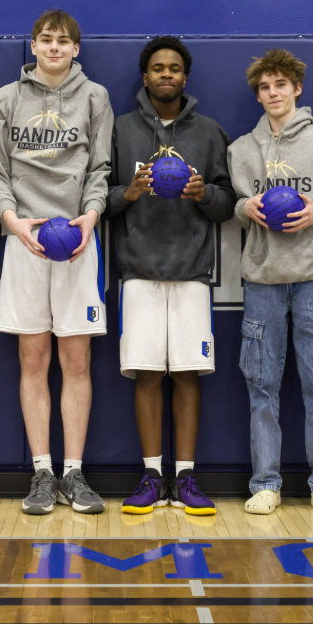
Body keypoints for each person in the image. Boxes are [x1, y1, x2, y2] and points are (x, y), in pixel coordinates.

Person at [0, 9, 112, 515]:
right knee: (33, 360)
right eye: (46, 40)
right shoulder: (4, 99)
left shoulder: (95, 96)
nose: (55, 47)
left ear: (76, 49)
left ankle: (74, 473)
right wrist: (13, 224)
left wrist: (90, 218)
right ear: (33, 46)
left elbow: (100, 167)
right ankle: (42, 471)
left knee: (76, 361)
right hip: (25, 241)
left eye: (64, 41)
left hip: (77, 241)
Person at [107, 37, 235, 516]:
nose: (166, 75)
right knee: (145, 374)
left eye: (175, 68)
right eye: (158, 68)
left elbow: (226, 204)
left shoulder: (208, 132)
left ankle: (184, 476)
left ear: (185, 77)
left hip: (191, 273)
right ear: (145, 77)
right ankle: (151, 475)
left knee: (186, 375)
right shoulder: (120, 130)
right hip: (138, 271)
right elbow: (102, 196)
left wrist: (204, 194)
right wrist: (131, 193)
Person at [228, 48, 313, 517]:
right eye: (264, 87)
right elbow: (235, 205)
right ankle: (265, 483)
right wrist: (247, 209)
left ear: (297, 88)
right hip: (262, 280)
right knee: (261, 385)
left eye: (280, 85)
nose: (273, 93)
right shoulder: (241, 148)